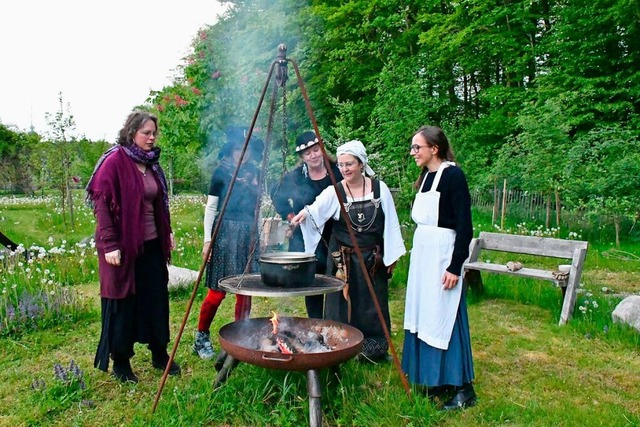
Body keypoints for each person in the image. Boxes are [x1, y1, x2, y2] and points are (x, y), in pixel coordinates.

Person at [290, 140, 406, 361]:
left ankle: (374, 351)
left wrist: (391, 256)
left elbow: (391, 223)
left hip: (372, 259)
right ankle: (339, 349)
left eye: (349, 164)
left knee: (373, 304)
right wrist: (303, 215)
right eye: (341, 165)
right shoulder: (335, 191)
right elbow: (315, 210)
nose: (344, 169)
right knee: (340, 305)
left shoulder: (379, 189)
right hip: (343, 260)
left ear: (361, 163)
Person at [87, 111, 180, 383]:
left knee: (156, 299)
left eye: (154, 133)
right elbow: (101, 202)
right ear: (131, 133)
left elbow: (159, 203)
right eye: (146, 133)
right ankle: (122, 362)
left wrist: (168, 231)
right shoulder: (115, 161)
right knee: (123, 303)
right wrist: (110, 244)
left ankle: (159, 353)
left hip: (151, 245)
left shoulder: (152, 163)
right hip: (122, 249)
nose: (151, 138)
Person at [401, 126, 476, 409]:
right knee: (425, 315)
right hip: (423, 259)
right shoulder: (425, 178)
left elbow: (464, 227)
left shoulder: (453, 176)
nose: (413, 152)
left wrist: (455, 266)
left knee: (445, 315)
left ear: (434, 148)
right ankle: (435, 379)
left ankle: (462, 388)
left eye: (417, 147)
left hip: (443, 258)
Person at [193, 128, 264, 360]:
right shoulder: (221, 173)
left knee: (245, 291)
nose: (243, 154)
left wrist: (260, 235)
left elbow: (258, 208)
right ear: (231, 151)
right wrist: (207, 241)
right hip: (224, 233)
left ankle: (240, 338)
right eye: (238, 149)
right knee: (217, 292)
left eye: (248, 150)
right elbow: (211, 208)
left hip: (249, 233)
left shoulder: (255, 173)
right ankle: (201, 336)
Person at [270, 131, 342, 318]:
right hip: (306, 235)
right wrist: (290, 215)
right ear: (302, 157)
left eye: (316, 150)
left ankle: (337, 320)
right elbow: (277, 195)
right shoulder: (295, 178)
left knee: (337, 277)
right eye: (308, 153)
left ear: (322, 149)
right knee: (313, 280)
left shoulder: (337, 172)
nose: (314, 156)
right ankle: (316, 320)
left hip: (335, 233)